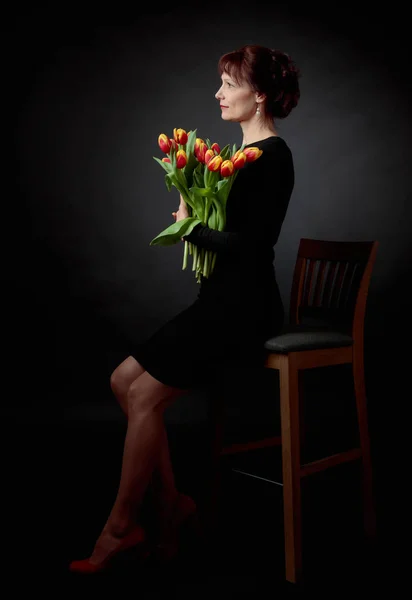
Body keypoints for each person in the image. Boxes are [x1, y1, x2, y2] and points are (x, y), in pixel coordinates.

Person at [69, 44, 301, 574]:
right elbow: (227, 236)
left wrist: (193, 224)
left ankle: (120, 529)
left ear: (259, 94)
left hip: (244, 309)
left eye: (228, 84)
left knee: (144, 393)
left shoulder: (271, 158)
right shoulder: (235, 158)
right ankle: (172, 505)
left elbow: (252, 245)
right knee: (121, 381)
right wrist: (196, 210)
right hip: (217, 300)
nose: (218, 94)